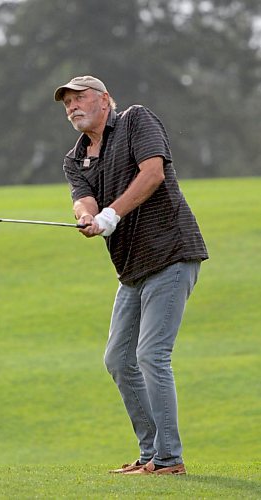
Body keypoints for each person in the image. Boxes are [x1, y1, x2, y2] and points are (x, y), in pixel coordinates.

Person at [54, 75, 208, 475]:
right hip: (132, 267)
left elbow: (153, 173)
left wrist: (112, 213)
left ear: (104, 99)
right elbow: (83, 199)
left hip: (171, 252)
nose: (72, 106)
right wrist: (88, 216)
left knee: (150, 354)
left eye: (79, 98)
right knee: (119, 359)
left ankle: (169, 459)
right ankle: (150, 454)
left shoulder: (136, 120)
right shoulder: (75, 158)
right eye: (67, 102)